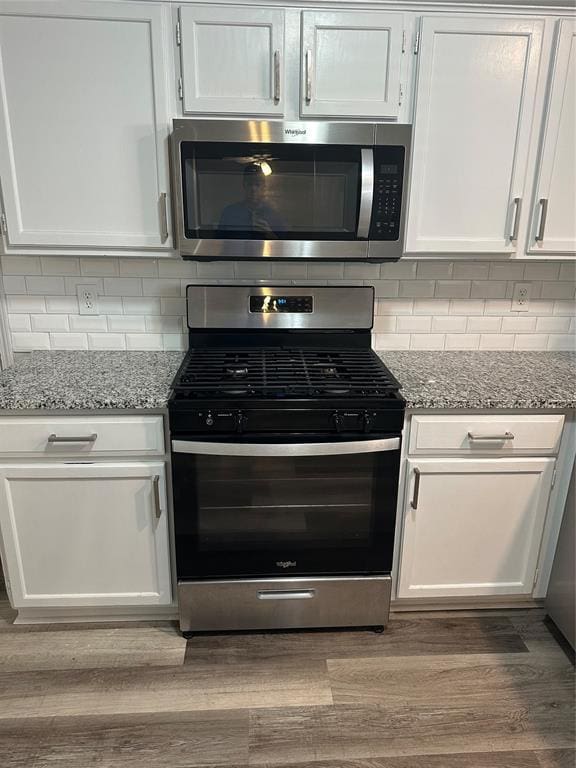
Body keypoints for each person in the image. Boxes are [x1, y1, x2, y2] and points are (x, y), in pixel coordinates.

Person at [218, 163, 286, 238]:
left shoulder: (274, 216)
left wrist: (269, 233)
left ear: (263, 187)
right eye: (250, 184)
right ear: (244, 185)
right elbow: (219, 242)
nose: (253, 189)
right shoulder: (229, 213)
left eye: (257, 185)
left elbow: (283, 245)